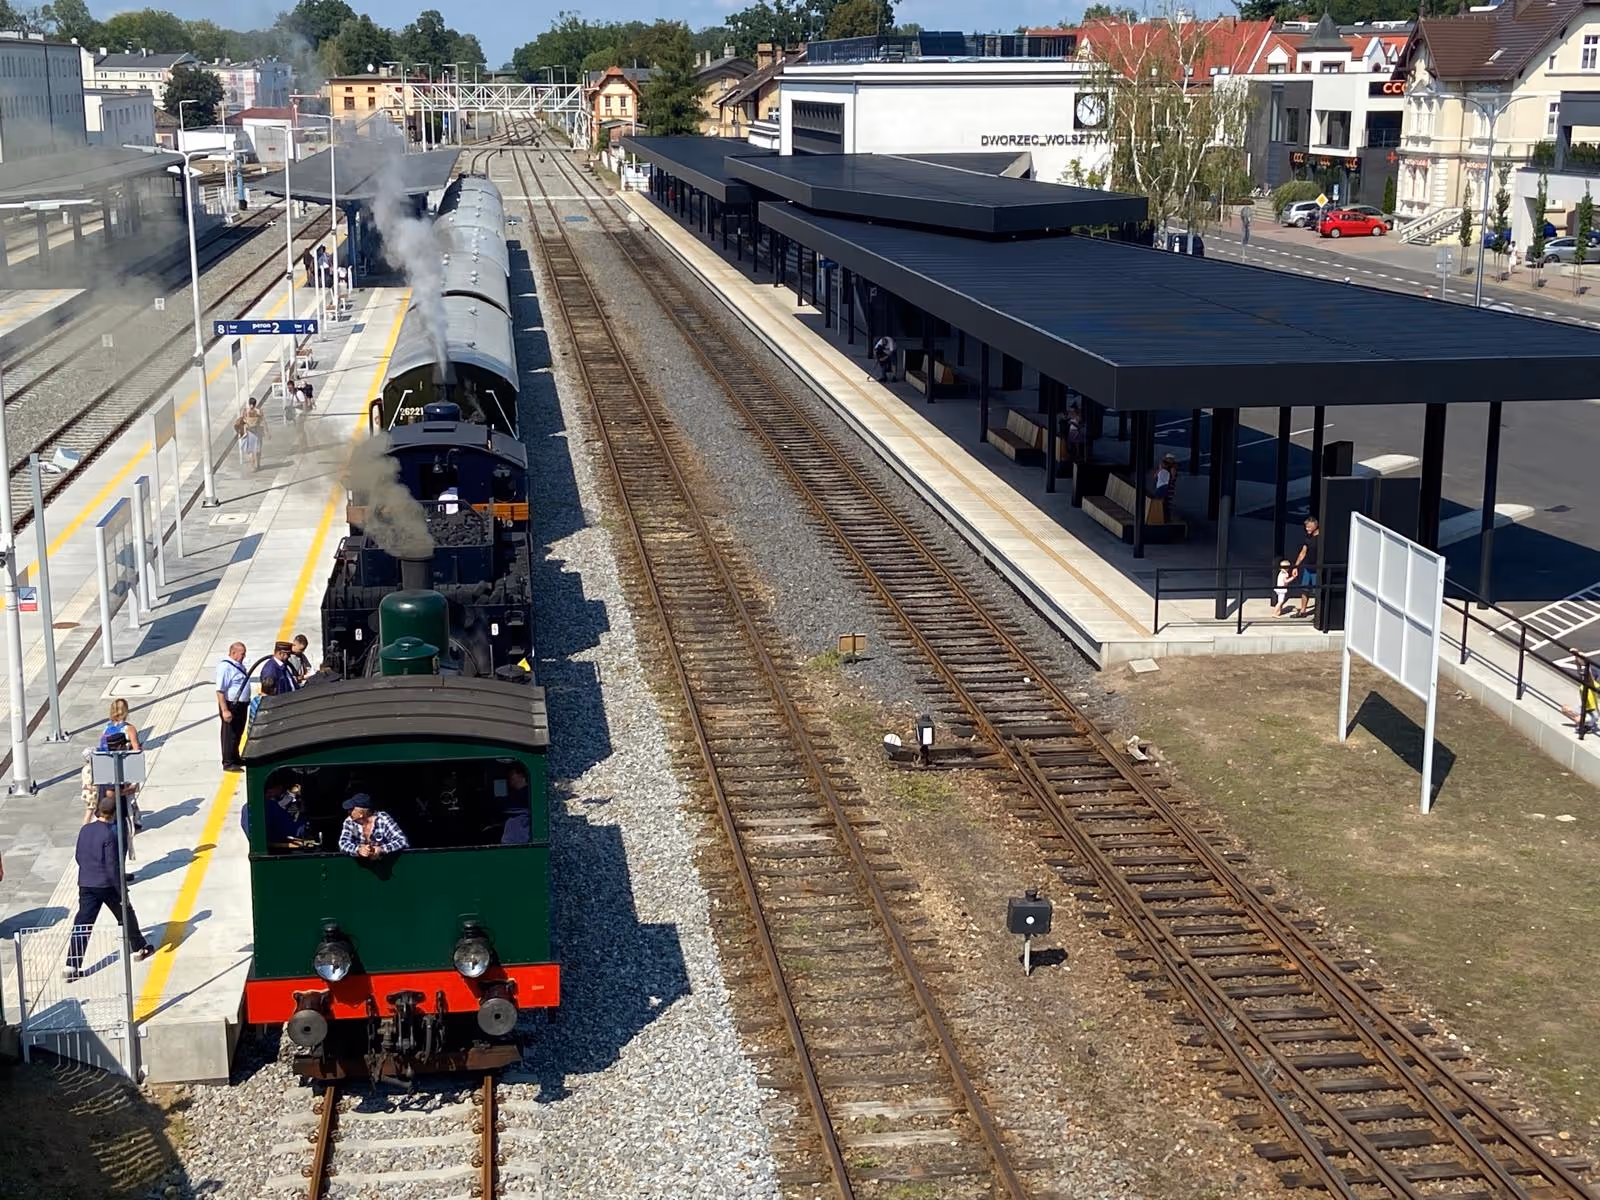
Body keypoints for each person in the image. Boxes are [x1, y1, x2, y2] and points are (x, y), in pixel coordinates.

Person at [65, 796, 154, 979]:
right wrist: (122, 892)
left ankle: (71, 965)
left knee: (83, 923)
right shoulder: (110, 834)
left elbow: (78, 856)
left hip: (86, 883)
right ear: (113, 814)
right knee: (126, 913)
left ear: (98, 811)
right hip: (106, 884)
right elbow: (112, 866)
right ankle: (140, 948)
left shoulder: (85, 830)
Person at [338, 794, 409, 859]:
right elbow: (343, 843)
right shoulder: (349, 821)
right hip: (360, 866)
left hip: (385, 863)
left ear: (361, 814)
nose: (348, 812)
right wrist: (358, 850)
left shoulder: (383, 818)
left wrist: (381, 849)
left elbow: (402, 841)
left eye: (351, 809)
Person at [216, 642, 250, 772]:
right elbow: (220, 691)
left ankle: (235, 757)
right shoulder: (225, 667)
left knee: (238, 732)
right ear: (233, 653)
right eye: (242, 654)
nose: (244, 656)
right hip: (231, 705)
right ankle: (228, 761)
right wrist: (225, 710)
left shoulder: (238, 665)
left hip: (241, 705)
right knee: (229, 734)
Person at [1560, 654, 1600, 734]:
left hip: (1593, 713)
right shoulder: (1583, 682)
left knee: (1577, 720)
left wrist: (1582, 655)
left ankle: (1589, 725)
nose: (1583, 676)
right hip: (1583, 708)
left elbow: (1589, 672)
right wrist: (1576, 655)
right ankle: (1584, 724)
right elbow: (1578, 667)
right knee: (1564, 709)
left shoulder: (1594, 685)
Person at [1291, 516, 1321, 619]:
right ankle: (1303, 611)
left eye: (1308, 527)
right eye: (1306, 527)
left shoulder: (1321, 537)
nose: (1307, 529)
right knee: (1304, 589)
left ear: (1315, 526)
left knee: (1318, 591)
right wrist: (1296, 566)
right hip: (1308, 568)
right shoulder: (1308, 537)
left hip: (1317, 569)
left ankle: (1319, 612)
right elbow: (1303, 552)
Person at [500, 764, 532, 844]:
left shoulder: (529, 794)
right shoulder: (514, 795)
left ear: (521, 775)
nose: (510, 776)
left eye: (512, 773)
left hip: (521, 839)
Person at [1151, 453, 1179, 524]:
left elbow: (1172, 478)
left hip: (1167, 487)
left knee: (1166, 503)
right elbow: (1155, 476)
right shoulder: (1166, 468)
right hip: (1166, 487)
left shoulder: (1171, 468)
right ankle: (1164, 518)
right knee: (1165, 503)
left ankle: (1165, 519)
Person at [239, 400, 265, 473]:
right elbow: (263, 421)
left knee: (250, 451)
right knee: (258, 450)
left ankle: (253, 467)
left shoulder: (245, 411)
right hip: (257, 432)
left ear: (249, 403)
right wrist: (267, 431)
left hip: (249, 433)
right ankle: (258, 465)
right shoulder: (259, 411)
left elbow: (242, 420)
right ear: (255, 403)